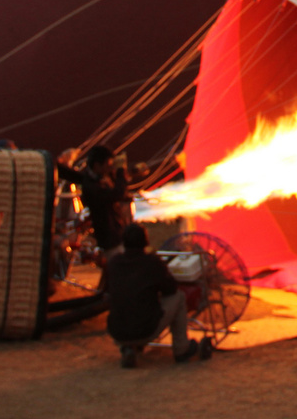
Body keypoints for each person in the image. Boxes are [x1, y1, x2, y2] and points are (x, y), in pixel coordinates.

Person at [101, 223, 212, 367]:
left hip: (117, 332)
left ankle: (129, 347)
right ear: (145, 241)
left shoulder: (114, 263)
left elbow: (108, 292)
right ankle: (181, 348)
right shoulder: (152, 262)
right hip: (146, 329)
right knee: (178, 297)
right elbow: (170, 289)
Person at [56, 145, 131, 255]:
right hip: (110, 238)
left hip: (116, 234)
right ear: (97, 165)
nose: (110, 168)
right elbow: (117, 194)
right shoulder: (91, 187)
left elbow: (119, 191)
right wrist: (120, 171)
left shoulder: (99, 179)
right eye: (108, 165)